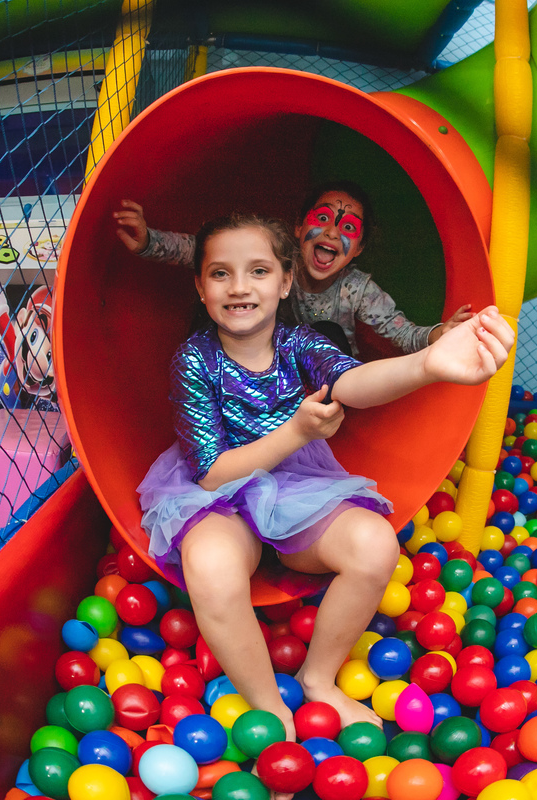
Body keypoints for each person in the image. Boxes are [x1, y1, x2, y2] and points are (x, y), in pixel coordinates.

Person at [137, 212, 514, 748]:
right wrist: (294, 432)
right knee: (212, 566)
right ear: (200, 287)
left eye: (258, 271)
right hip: (219, 497)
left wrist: (428, 363)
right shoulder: (193, 359)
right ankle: (270, 707)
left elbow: (353, 382)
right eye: (221, 273)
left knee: (375, 544)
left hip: (295, 487)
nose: (240, 287)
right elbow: (213, 474)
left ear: (285, 281)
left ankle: (318, 678)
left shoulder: (301, 344)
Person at [114, 181, 473, 358]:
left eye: (348, 228)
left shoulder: (358, 289)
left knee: (327, 332)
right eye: (322, 218)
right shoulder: (278, 257)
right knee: (225, 303)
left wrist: (440, 334)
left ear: (358, 249)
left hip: (327, 378)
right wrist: (149, 241)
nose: (331, 233)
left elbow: (403, 333)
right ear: (299, 227)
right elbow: (206, 253)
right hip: (269, 366)